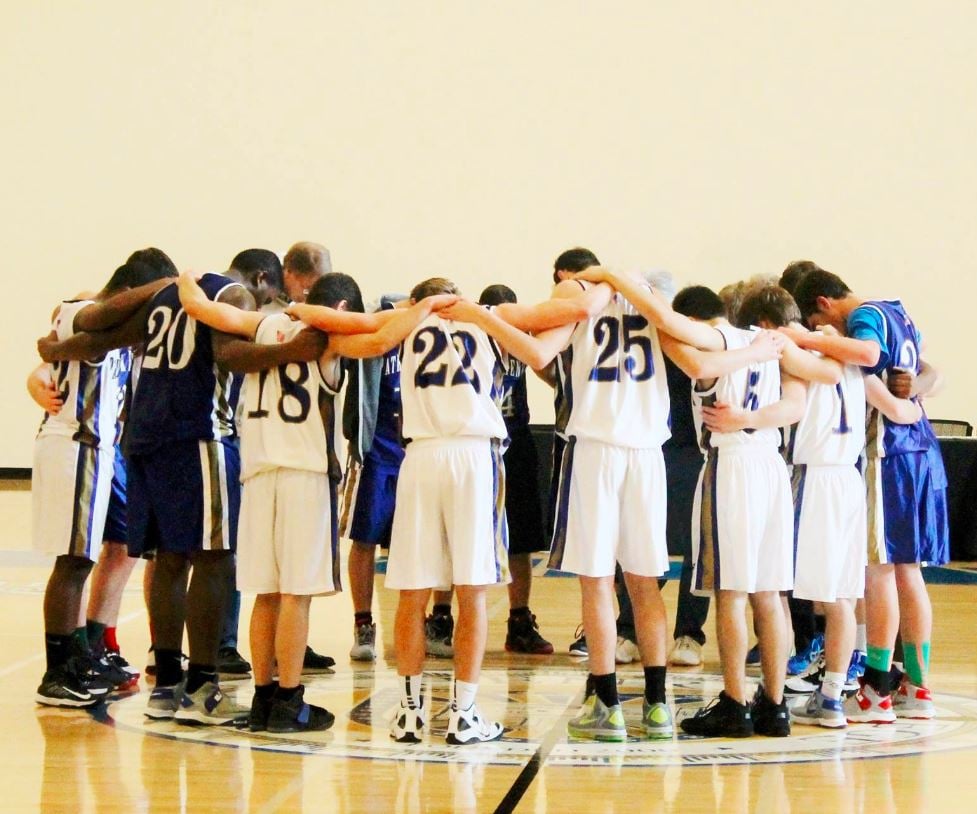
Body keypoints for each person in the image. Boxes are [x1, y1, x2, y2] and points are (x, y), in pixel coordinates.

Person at [177, 270, 454, 731]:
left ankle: (263, 698)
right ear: (342, 309)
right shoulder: (329, 340)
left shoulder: (261, 326)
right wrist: (423, 308)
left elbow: (203, 309)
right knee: (295, 597)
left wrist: (186, 280)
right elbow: (382, 340)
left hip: (257, 471)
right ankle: (289, 700)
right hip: (304, 474)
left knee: (264, 595)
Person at [737, 284, 922, 728]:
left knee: (774, 589)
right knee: (840, 597)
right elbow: (903, 414)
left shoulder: (793, 358)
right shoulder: (856, 364)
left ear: (766, 327)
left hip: (812, 478)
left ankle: (774, 691)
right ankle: (834, 697)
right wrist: (916, 390)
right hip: (850, 481)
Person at [385, 278, 549, 745]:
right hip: (474, 456)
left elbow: (367, 335)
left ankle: (410, 712)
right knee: (472, 590)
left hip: (421, 455)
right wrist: (482, 315)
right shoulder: (488, 325)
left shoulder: (404, 326)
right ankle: (464, 713)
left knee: (412, 592)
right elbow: (540, 357)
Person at [791, 269, 948, 722]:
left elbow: (870, 361)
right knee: (907, 572)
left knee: (877, 570)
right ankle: (916, 686)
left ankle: (877, 688)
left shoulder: (863, 318)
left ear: (823, 303)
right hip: (923, 451)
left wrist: (807, 340)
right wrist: (918, 390)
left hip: (889, 454)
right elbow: (927, 372)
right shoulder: (897, 311)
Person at [32, 261, 175, 706]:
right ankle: (58, 671)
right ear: (130, 291)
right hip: (76, 443)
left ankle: (81, 653)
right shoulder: (81, 310)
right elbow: (76, 320)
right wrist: (166, 286)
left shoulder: (114, 333)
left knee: (99, 553)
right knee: (73, 560)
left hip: (100, 449)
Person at [478, 284, 552, 654]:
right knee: (459, 537)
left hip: (517, 444)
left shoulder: (523, 346)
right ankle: (441, 615)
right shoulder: (472, 342)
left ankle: (519, 619)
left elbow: (552, 373)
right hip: (478, 446)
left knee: (520, 539)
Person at [340, 292, 408, 662]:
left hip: (419, 452)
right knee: (363, 539)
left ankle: (417, 621)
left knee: (418, 545)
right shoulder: (376, 330)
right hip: (377, 451)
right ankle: (362, 622)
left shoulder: (433, 337)